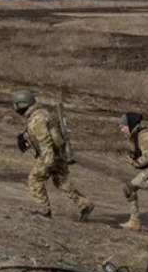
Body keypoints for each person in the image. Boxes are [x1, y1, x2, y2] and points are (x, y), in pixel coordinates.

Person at [10, 90, 95, 221]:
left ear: (21, 104)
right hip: (58, 154)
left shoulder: (36, 119)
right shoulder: (40, 114)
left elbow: (45, 141)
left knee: (34, 180)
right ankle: (85, 204)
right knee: (61, 182)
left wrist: (47, 162)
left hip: (50, 155)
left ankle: (44, 211)